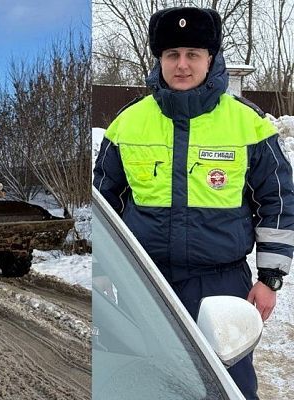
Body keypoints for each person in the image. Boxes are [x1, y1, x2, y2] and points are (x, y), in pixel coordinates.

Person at [93, 7, 293, 399]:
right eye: (171, 55)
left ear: (210, 58)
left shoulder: (248, 124)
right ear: (159, 60)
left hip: (219, 284)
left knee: (225, 384)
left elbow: (280, 202)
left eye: (192, 54)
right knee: (143, 383)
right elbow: (103, 201)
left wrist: (269, 279)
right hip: (143, 284)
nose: (181, 65)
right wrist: (103, 268)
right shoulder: (126, 124)